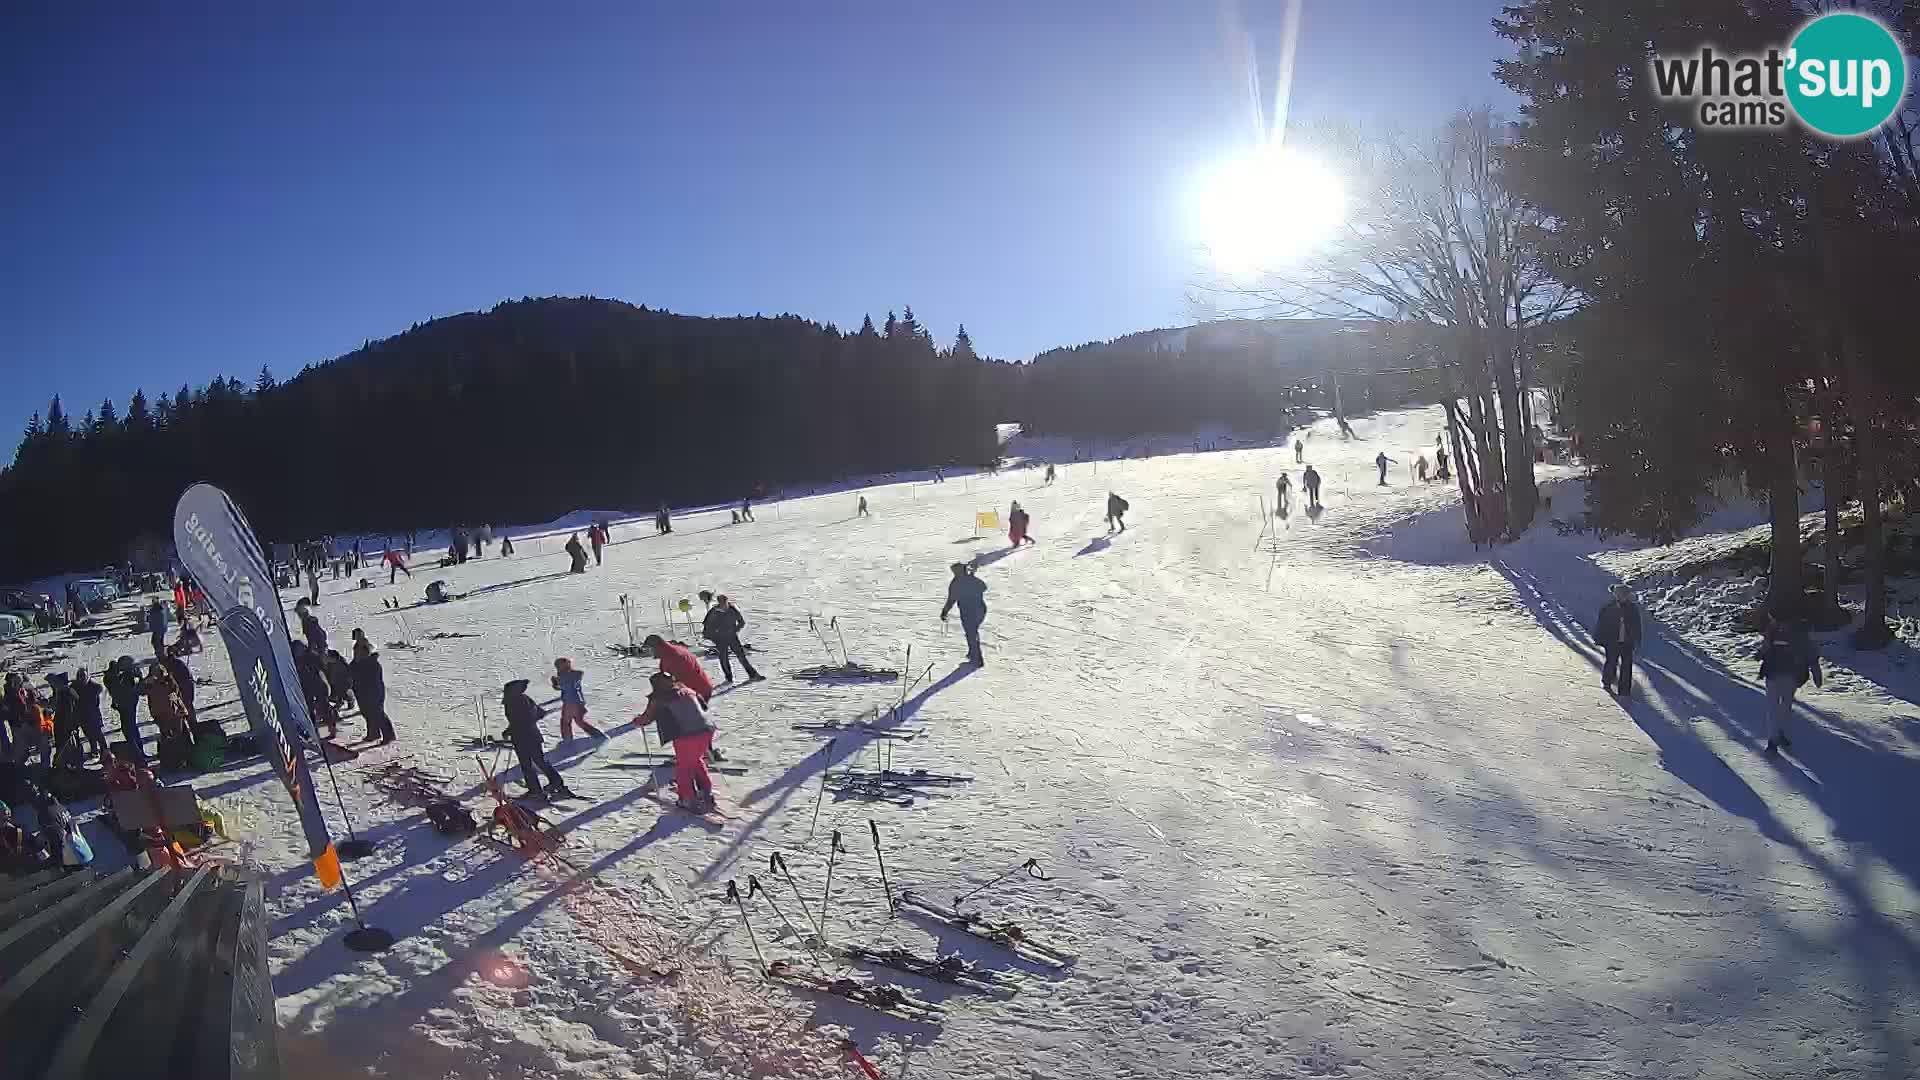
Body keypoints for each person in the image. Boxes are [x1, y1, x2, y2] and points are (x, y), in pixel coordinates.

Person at [634, 671, 717, 810]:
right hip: (706, 730)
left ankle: (687, 798)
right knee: (695, 760)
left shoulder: (660, 698)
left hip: (686, 735)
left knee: (683, 767)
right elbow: (704, 706)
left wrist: (638, 721)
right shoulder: (687, 690)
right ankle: (706, 791)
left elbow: (647, 718)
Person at [1758, 612, 1822, 755]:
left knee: (1773, 706)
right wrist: (1816, 672)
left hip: (1773, 672)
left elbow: (1765, 648)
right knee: (1785, 705)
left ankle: (1773, 739)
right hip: (1790, 674)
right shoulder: (1799, 631)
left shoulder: (1774, 628)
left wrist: (1760, 654)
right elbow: (1811, 652)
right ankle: (1780, 734)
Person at [500, 678, 573, 800]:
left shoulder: (513, 701)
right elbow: (540, 713)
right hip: (532, 735)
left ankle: (536, 790)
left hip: (522, 737)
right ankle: (555, 783)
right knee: (539, 761)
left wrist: (510, 730)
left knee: (527, 764)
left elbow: (520, 721)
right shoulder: (525, 698)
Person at [1593, 583, 1642, 698]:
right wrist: (1599, 638)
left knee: (1626, 665)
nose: (1622, 596)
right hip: (1612, 641)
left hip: (1627, 641)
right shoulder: (1608, 607)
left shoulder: (1632, 608)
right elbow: (1601, 624)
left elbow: (1637, 625)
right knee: (1611, 661)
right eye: (1619, 594)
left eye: (1625, 594)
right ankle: (1607, 681)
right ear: (1615, 594)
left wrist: (1637, 639)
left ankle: (1624, 690)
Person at [702, 595, 763, 683]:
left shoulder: (732, 610)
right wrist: (715, 636)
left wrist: (734, 630)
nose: (725, 605)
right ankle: (729, 678)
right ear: (719, 603)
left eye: (726, 603)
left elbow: (741, 622)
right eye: (723, 603)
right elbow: (706, 628)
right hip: (720, 639)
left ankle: (753, 675)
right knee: (723, 658)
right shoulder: (713, 612)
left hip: (732, 637)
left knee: (741, 656)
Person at [940, 562, 989, 667]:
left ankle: (977, 659)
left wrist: (944, 612)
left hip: (968, 612)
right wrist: (972, 578)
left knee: (971, 634)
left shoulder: (955, 583)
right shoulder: (969, 579)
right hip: (980, 609)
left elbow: (951, 600)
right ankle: (973, 653)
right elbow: (983, 587)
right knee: (972, 633)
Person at [645, 634, 715, 706]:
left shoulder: (674, 658)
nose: (649, 653)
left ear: (656, 647)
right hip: (699, 689)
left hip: (698, 692)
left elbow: (677, 684)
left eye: (649, 649)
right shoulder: (669, 653)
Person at [350, 640, 395, 744]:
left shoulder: (373, 664)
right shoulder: (355, 663)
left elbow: (371, 680)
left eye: (359, 652)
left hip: (374, 693)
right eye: (355, 651)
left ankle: (389, 735)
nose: (356, 654)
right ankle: (373, 733)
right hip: (361, 693)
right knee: (367, 713)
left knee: (377, 713)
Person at [291, 641, 338, 741]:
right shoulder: (295, 659)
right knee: (309, 710)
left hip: (318, 685)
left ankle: (331, 729)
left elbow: (323, 669)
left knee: (325, 709)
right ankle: (311, 732)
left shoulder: (312, 657)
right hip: (306, 687)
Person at [105, 656, 147, 764]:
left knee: (130, 728)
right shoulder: (114, 678)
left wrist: (137, 676)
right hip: (124, 705)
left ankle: (138, 752)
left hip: (128, 704)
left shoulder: (126, 676)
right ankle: (137, 751)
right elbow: (115, 687)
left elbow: (138, 686)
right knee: (129, 728)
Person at [551, 657, 605, 740]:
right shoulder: (574, 674)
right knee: (579, 721)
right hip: (578, 701)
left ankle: (567, 740)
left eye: (558, 666)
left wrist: (556, 683)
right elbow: (566, 686)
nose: (557, 668)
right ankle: (597, 735)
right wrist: (557, 683)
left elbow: (565, 686)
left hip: (570, 702)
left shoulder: (566, 676)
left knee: (566, 721)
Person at [72, 668, 108, 762]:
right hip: (82, 715)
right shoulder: (75, 686)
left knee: (98, 735)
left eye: (84, 676)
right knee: (89, 734)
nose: (82, 678)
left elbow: (100, 688)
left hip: (93, 714)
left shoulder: (93, 686)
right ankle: (94, 752)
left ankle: (106, 753)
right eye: (80, 676)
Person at [323, 649, 355, 713]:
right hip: (334, 681)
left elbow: (349, 675)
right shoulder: (330, 663)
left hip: (343, 683)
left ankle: (349, 700)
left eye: (329, 658)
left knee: (342, 693)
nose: (327, 659)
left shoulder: (342, 665)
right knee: (334, 693)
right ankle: (340, 702)